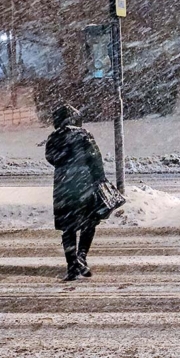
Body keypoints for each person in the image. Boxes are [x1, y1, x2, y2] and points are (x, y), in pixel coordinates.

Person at [45, 105, 107, 281]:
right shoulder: (84, 135)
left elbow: (51, 158)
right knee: (89, 223)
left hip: (63, 186)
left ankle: (72, 264)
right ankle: (82, 256)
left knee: (68, 227)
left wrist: (65, 164)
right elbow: (95, 158)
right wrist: (99, 179)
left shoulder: (54, 137)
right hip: (84, 185)